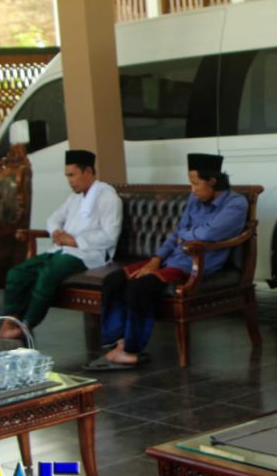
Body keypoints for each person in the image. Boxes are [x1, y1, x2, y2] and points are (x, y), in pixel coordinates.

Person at [83, 153, 248, 370]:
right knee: (114, 280)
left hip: (196, 264)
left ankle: (131, 350)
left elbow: (209, 234)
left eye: (196, 184)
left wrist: (185, 235)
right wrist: (156, 259)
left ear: (212, 181)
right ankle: (119, 342)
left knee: (139, 287)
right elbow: (178, 233)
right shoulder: (195, 199)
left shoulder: (236, 203)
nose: (192, 190)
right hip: (172, 259)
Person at [0, 150, 122, 339]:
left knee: (48, 274)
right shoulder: (74, 198)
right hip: (61, 250)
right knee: (17, 273)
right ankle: (9, 323)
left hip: (89, 254)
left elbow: (110, 236)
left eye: (72, 175)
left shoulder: (108, 198)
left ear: (88, 171)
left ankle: (26, 326)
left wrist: (75, 241)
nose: (70, 181)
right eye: (67, 176)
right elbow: (54, 218)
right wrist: (55, 231)